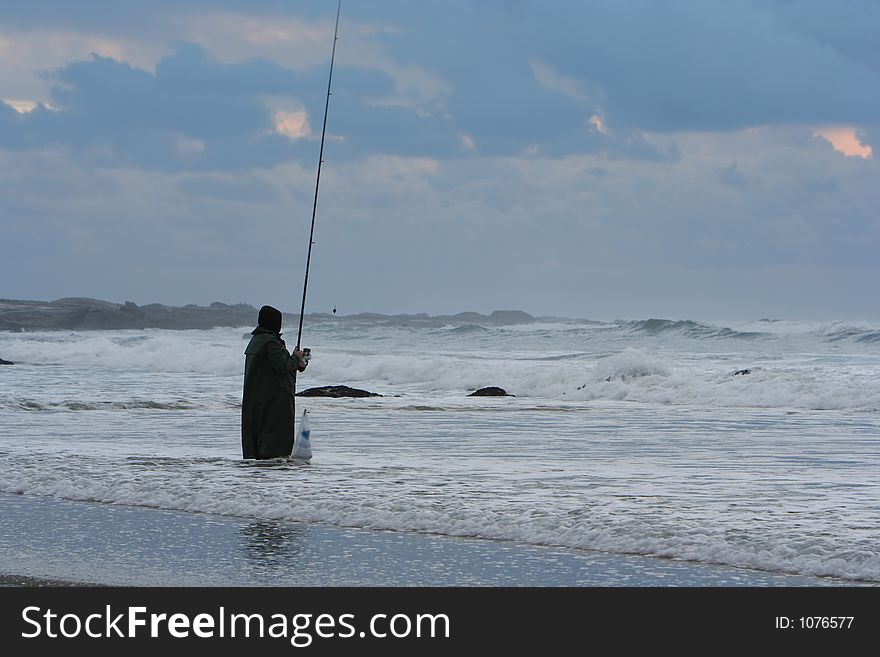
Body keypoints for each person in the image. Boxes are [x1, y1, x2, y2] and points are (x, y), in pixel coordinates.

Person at [241, 305, 309, 459]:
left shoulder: (256, 340)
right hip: (275, 400)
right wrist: (296, 357)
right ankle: (273, 473)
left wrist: (295, 359)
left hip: (257, 399)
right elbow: (282, 367)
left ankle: (260, 467)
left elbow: (276, 365)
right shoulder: (271, 343)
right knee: (275, 443)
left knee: (258, 438)